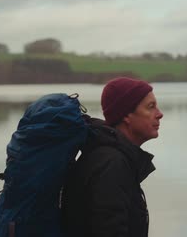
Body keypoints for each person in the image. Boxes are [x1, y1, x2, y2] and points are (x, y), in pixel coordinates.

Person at [62, 77, 164, 237]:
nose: (159, 114)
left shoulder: (110, 156)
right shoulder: (111, 165)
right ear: (127, 115)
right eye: (150, 107)